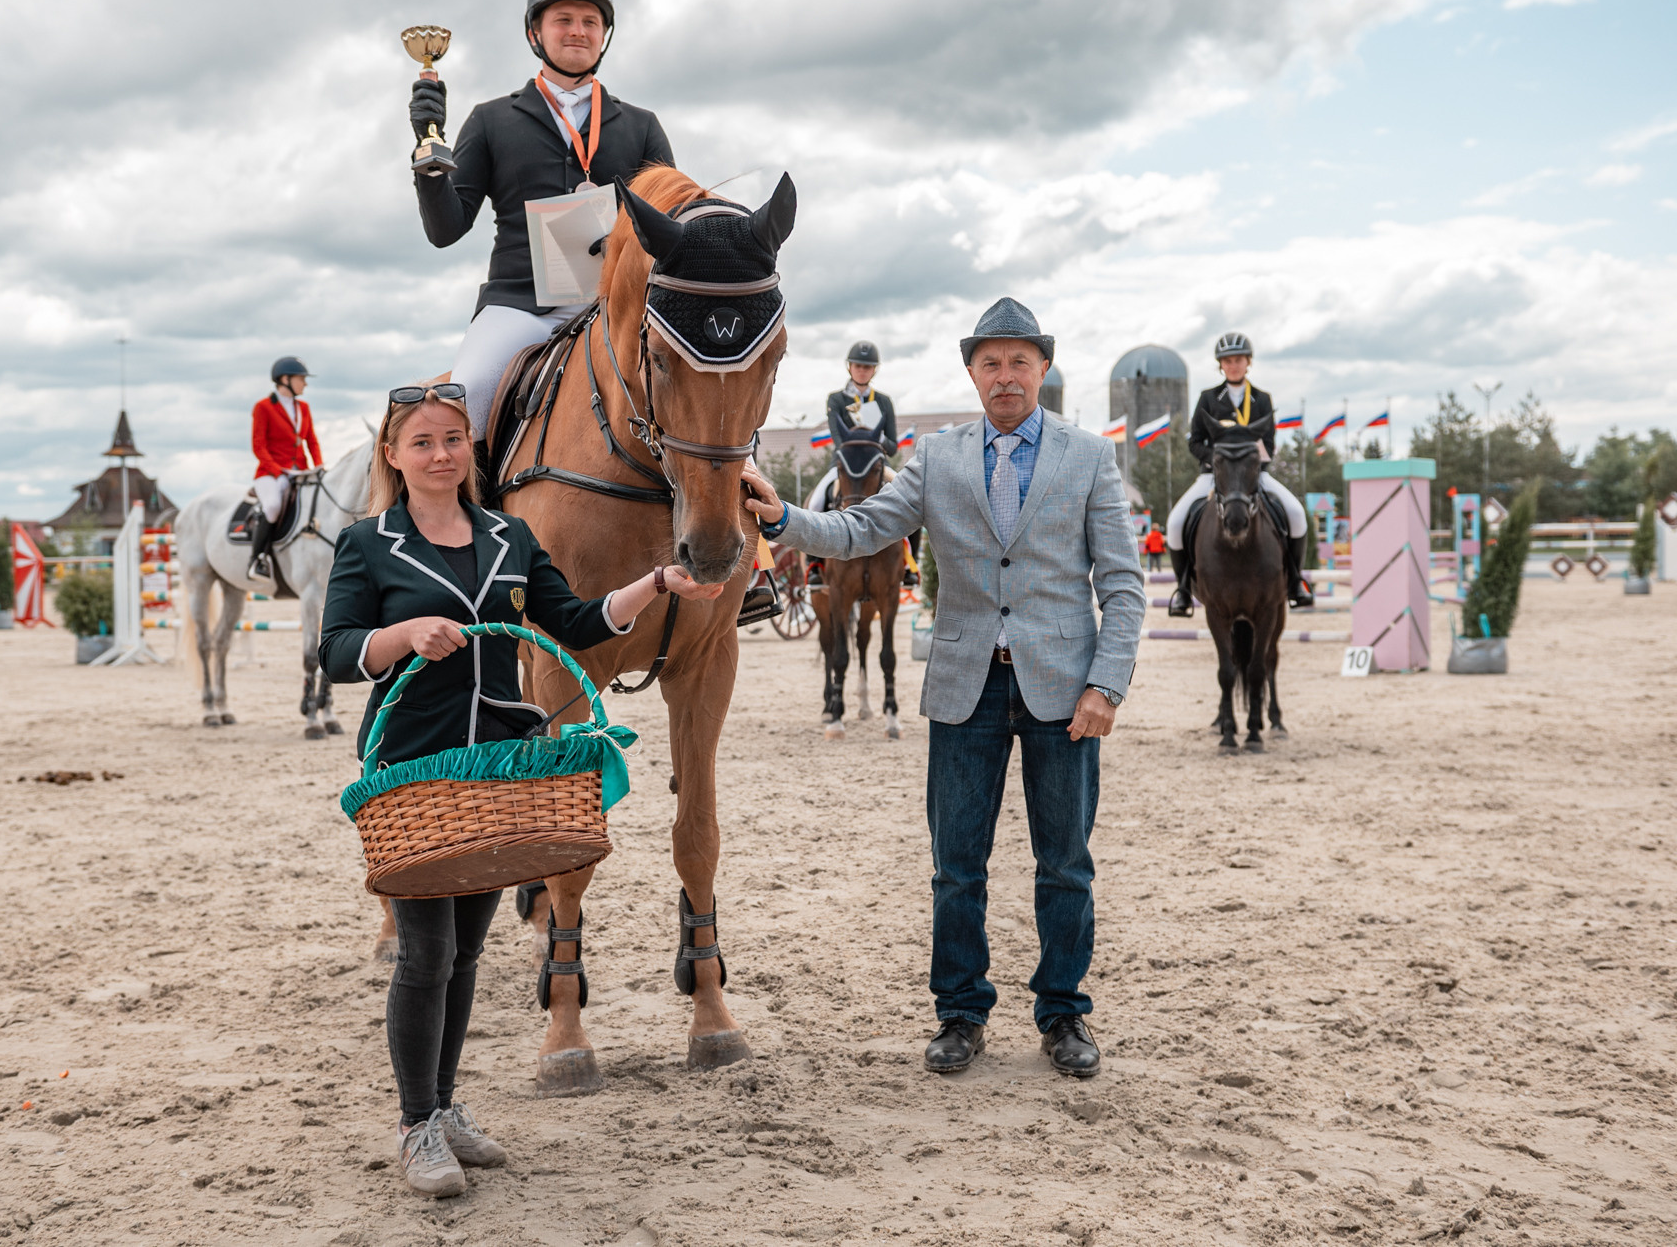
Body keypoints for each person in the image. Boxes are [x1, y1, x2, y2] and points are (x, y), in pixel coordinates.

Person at [318, 383, 722, 1199]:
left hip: (496, 769)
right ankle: (416, 1124)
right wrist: (401, 636)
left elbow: (574, 621)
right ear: (394, 456)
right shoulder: (367, 543)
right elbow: (333, 652)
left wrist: (656, 583)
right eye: (422, 442)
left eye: (452, 440)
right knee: (426, 953)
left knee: (467, 952)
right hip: (415, 768)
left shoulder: (509, 535)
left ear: (469, 450)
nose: (440, 454)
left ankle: (445, 1105)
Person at [741, 297, 1145, 1079]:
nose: (1006, 376)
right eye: (991, 363)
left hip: (1065, 690)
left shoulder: (1091, 456)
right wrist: (784, 517)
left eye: (1019, 361)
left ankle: (1064, 1013)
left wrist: (1108, 684)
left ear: (1043, 368)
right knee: (957, 866)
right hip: (966, 686)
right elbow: (862, 529)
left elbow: (1123, 586)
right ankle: (960, 1013)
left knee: (1066, 863)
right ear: (972, 372)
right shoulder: (937, 456)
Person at [408, 0, 673, 448]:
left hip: (616, 305)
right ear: (535, 33)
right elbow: (445, 230)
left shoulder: (642, 126)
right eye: (563, 20)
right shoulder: (490, 120)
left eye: (590, 21)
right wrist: (429, 159)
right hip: (519, 307)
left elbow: (666, 227)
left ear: (604, 35)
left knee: (703, 385)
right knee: (464, 405)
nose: (578, 31)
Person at [1164, 332, 1312, 617]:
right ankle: (1183, 589)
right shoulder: (1208, 398)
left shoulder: (1262, 399)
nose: (1233, 366)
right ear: (1221, 365)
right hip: (1213, 476)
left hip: (1255, 476)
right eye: (1228, 361)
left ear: (1248, 362)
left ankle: (1295, 581)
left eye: (1239, 360)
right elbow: (1195, 442)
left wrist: (1248, 462)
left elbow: (1269, 444)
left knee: (1296, 513)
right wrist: (1219, 460)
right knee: (1174, 522)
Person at [803, 341, 920, 584]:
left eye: (867, 367)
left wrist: (876, 436)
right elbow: (838, 439)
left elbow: (892, 446)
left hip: (876, 466)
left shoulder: (884, 401)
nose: (862, 371)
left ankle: (910, 565)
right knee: (815, 502)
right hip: (845, 466)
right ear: (850, 367)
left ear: (874, 370)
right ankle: (815, 564)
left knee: (911, 500)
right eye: (858, 366)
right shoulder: (836, 399)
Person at [249, 356, 323, 582]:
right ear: (285, 379)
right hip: (270, 473)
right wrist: (277, 470)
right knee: (272, 506)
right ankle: (258, 559)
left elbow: (311, 440)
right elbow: (258, 445)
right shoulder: (263, 407)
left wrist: (319, 466)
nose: (305, 384)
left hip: (300, 470)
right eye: (301, 379)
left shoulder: (304, 408)